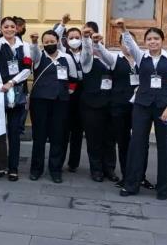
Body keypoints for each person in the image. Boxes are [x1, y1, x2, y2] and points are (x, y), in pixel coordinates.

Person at [115, 19, 167, 200]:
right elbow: (129, 42)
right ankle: (131, 184)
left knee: (164, 147)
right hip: (142, 106)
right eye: (149, 39)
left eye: (156, 39)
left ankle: (163, 188)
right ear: (146, 42)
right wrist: (123, 29)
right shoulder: (141, 56)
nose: (153, 42)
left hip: (164, 107)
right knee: (137, 144)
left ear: (162, 41)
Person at [94, 33, 153, 189]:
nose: (127, 47)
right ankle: (127, 176)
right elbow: (102, 53)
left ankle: (141, 176)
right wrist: (97, 43)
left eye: (130, 43)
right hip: (119, 106)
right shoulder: (115, 59)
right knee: (123, 141)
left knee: (142, 142)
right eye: (124, 43)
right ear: (120, 44)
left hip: (140, 106)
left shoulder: (143, 59)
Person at [27, 30, 79, 183]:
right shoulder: (38, 57)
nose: (49, 44)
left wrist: (65, 92)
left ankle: (55, 170)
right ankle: (36, 169)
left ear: (58, 41)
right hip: (40, 102)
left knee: (58, 137)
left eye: (52, 41)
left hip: (60, 102)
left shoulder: (67, 57)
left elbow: (74, 78)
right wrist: (35, 42)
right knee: (39, 137)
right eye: (46, 42)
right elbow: (34, 52)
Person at [0, 17, 32, 181]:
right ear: (2, 29)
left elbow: (27, 70)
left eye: (12, 26)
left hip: (17, 92)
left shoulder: (24, 46)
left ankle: (13, 168)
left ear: (17, 28)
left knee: (14, 132)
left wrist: (12, 82)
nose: (9, 29)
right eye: (5, 27)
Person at [78, 28, 117, 182]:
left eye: (98, 45)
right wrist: (87, 39)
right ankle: (96, 170)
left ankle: (110, 169)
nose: (95, 48)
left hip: (109, 106)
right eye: (94, 46)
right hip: (91, 106)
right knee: (94, 140)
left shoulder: (111, 61)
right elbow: (86, 51)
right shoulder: (87, 62)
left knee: (110, 140)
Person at [61, 26, 85, 173]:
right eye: (71, 38)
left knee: (77, 132)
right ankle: (59, 161)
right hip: (67, 95)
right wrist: (62, 24)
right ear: (66, 40)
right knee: (64, 131)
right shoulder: (63, 53)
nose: (74, 40)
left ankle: (73, 163)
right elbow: (54, 37)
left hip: (82, 95)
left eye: (77, 37)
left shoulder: (88, 53)